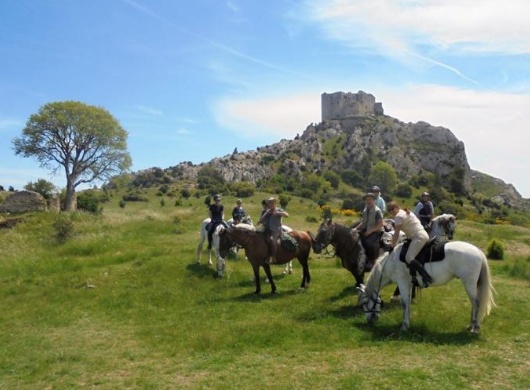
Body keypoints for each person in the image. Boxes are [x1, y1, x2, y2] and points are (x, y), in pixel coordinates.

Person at [387, 201, 432, 287]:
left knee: (408, 257)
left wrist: (392, 245)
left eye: (392, 209)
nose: (391, 211)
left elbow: (396, 233)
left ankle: (426, 277)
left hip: (418, 237)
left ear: (397, 207)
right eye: (389, 210)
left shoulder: (398, 217)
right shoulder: (406, 212)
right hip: (420, 234)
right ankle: (413, 277)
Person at [354, 193, 384, 270]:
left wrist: (370, 231)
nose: (368, 201)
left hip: (376, 231)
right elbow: (363, 223)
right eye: (367, 200)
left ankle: (371, 261)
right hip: (366, 229)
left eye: (370, 199)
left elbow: (380, 224)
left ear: (373, 200)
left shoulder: (377, 211)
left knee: (369, 242)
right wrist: (355, 229)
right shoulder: (365, 210)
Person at [258, 197, 289, 264]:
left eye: (272, 203)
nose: (270, 204)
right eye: (269, 203)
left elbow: (287, 215)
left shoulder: (278, 209)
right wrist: (264, 216)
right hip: (266, 229)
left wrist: (278, 213)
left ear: (275, 203)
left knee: (272, 240)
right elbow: (261, 220)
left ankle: (273, 258)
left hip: (276, 230)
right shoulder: (266, 211)